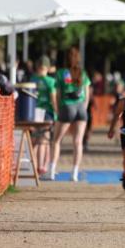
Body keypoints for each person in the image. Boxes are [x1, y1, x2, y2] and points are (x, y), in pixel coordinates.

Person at [49, 46, 92, 181]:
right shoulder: (83, 73)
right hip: (81, 108)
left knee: (56, 140)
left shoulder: (61, 73)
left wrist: (57, 109)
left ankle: (51, 171)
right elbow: (87, 94)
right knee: (78, 142)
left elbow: (58, 94)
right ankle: (74, 173)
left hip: (67, 107)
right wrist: (84, 107)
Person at [32, 56, 57, 178]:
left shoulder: (33, 79)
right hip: (47, 112)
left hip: (35, 111)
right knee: (45, 140)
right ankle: (42, 166)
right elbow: (53, 99)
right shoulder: (51, 81)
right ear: (48, 68)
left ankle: (37, 167)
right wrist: (57, 113)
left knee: (36, 140)